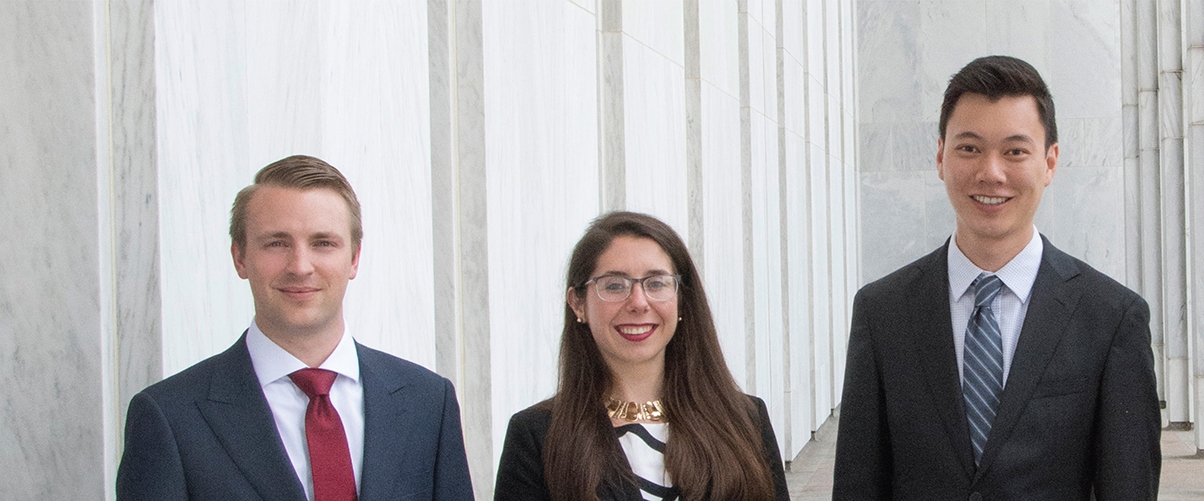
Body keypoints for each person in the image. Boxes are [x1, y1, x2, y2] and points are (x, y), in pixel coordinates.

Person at [833, 55, 1161, 500]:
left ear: (1049, 162)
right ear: (940, 157)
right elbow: (858, 484)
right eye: (969, 148)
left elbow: (1128, 488)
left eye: (1015, 151)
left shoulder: (1110, 317)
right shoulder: (882, 310)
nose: (991, 172)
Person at [116, 155, 475, 500]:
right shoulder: (169, 416)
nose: (300, 266)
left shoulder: (428, 402)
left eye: (323, 243)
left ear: (354, 258)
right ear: (239, 257)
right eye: (276, 243)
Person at [494, 211, 787, 501]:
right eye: (614, 285)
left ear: (682, 299)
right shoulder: (537, 436)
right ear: (578, 304)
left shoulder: (744, 420)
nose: (638, 302)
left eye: (656, 283)